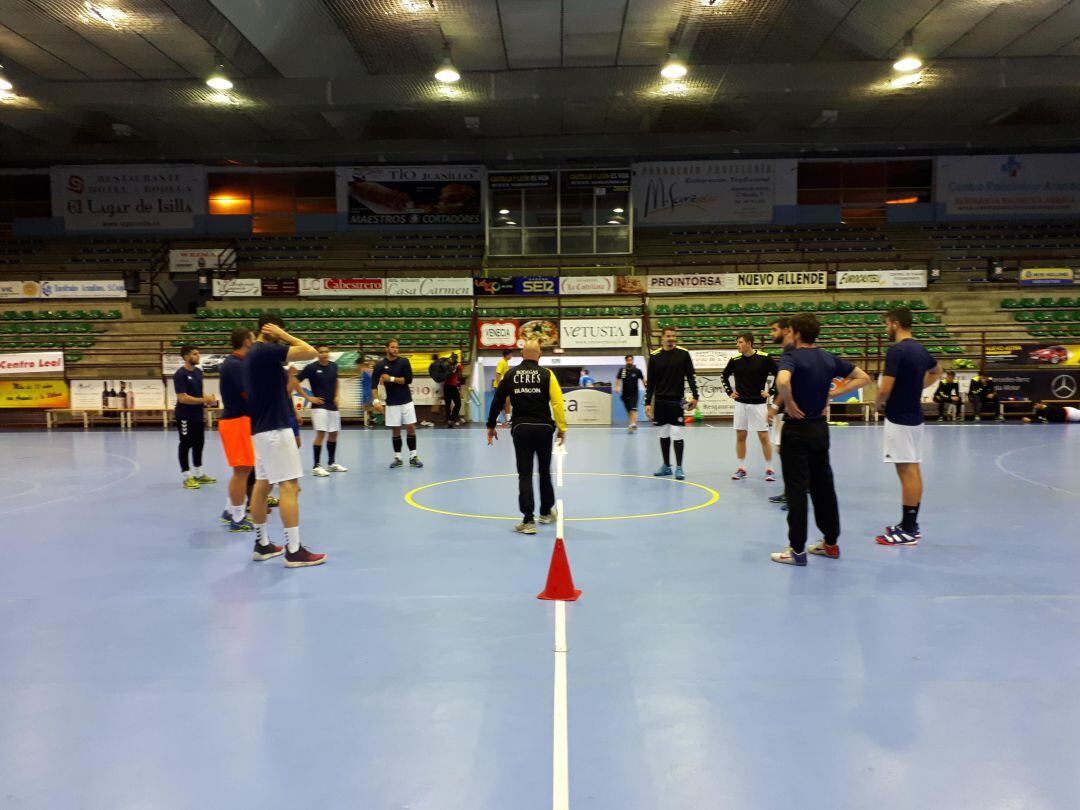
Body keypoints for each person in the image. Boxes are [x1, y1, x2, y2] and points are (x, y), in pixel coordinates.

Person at [771, 313, 870, 566]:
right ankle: (831, 543)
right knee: (823, 487)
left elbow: (783, 381)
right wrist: (833, 393)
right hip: (820, 430)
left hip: (797, 430)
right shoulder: (828, 357)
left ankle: (797, 550)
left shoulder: (791, 356)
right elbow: (863, 377)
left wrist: (789, 402)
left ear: (796, 333)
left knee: (796, 490)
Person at [244, 313, 326, 568]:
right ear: (270, 330)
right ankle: (294, 550)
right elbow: (309, 351)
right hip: (275, 430)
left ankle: (263, 544)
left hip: (260, 429)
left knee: (262, 485)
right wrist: (284, 335)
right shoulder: (266, 351)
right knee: (289, 487)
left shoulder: (253, 355)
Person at [874, 308, 943, 547]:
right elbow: (938, 372)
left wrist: (878, 403)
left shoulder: (897, 351)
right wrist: (918, 387)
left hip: (899, 416)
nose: (886, 329)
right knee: (910, 468)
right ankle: (908, 524)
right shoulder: (921, 349)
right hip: (913, 414)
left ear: (895, 324)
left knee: (908, 471)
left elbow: (885, 388)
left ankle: (909, 529)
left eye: (886, 325)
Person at [486, 339, 567, 535]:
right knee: (544, 471)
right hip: (544, 428)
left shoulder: (511, 374)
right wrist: (562, 428)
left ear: (522, 355)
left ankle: (528, 521)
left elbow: (498, 400)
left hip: (521, 428)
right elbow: (557, 403)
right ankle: (546, 513)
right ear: (539, 355)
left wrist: (490, 425)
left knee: (525, 474)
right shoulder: (548, 374)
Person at [722, 332, 778, 482]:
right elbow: (724, 375)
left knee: (764, 437)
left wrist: (771, 391)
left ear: (749, 343)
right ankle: (741, 469)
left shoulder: (765, 358)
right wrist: (729, 392)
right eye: (737, 342)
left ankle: (770, 469)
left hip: (759, 405)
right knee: (740, 436)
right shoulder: (735, 360)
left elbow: (779, 375)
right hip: (741, 404)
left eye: (740, 342)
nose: (737, 345)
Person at [645, 326, 698, 480]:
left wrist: (696, 396)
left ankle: (679, 467)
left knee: (676, 433)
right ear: (662, 338)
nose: (671, 338)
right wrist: (648, 402)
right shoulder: (654, 357)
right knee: (663, 433)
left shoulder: (683, 354)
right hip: (660, 401)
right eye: (668, 336)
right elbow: (651, 383)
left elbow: (691, 376)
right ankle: (666, 466)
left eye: (673, 336)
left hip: (676, 401)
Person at [217, 327, 255, 532]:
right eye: (253, 338)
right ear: (247, 341)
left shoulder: (234, 363)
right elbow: (248, 394)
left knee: (242, 470)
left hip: (237, 420)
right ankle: (238, 518)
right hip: (237, 421)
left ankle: (230, 509)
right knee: (242, 471)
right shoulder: (236, 365)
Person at [373, 338, 423, 468]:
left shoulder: (404, 362)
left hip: (406, 400)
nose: (395, 349)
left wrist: (391, 378)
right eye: (393, 347)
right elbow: (373, 386)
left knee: (411, 427)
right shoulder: (379, 365)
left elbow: (409, 380)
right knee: (396, 430)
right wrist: (376, 400)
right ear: (386, 348)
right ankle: (398, 457)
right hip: (391, 402)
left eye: (397, 347)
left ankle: (413, 456)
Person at [298, 344, 347, 477]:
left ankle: (331, 463)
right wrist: (309, 398)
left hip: (333, 406)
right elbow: (295, 382)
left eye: (326, 351)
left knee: (334, 434)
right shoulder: (311, 368)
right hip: (319, 406)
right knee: (321, 434)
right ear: (317, 354)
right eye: (321, 352)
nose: (324, 354)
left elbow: (336, 381)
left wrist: (337, 395)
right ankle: (316, 466)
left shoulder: (333, 366)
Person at [174, 345, 218, 490]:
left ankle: (199, 473)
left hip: (198, 415)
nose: (198, 356)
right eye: (195, 354)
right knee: (186, 444)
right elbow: (183, 398)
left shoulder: (199, 372)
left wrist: (207, 399)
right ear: (186, 357)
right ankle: (187, 476)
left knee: (199, 443)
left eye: (198, 353)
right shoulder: (180, 374)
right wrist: (203, 400)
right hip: (185, 415)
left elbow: (199, 392)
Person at [766, 318, 791, 508]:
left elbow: (784, 384)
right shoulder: (786, 353)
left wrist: (775, 407)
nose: (771, 334)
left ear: (786, 330)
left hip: (786, 412)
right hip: (783, 412)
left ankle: (794, 493)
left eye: (775, 330)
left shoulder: (791, 354)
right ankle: (789, 491)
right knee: (782, 450)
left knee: (789, 452)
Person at [614, 355, 645, 432]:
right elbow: (618, 379)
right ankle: (631, 423)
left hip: (634, 393)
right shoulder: (622, 370)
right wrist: (617, 386)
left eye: (631, 360)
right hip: (625, 394)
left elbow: (643, 379)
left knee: (633, 409)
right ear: (626, 361)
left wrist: (646, 386)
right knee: (629, 410)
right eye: (628, 360)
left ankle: (633, 424)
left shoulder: (637, 371)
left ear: (633, 360)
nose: (629, 361)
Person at [443, 352, 464, 428]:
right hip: (452, 386)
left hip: (445, 386)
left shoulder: (446, 364)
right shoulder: (458, 365)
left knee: (448, 405)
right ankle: (452, 418)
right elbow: (461, 373)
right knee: (458, 403)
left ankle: (448, 420)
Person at [494, 349, 513, 427]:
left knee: (505, 403)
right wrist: (499, 386)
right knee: (504, 402)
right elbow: (498, 374)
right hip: (500, 386)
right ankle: (503, 420)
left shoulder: (505, 362)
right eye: (511, 355)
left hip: (504, 386)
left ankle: (507, 420)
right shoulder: (501, 362)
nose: (511, 356)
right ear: (507, 355)